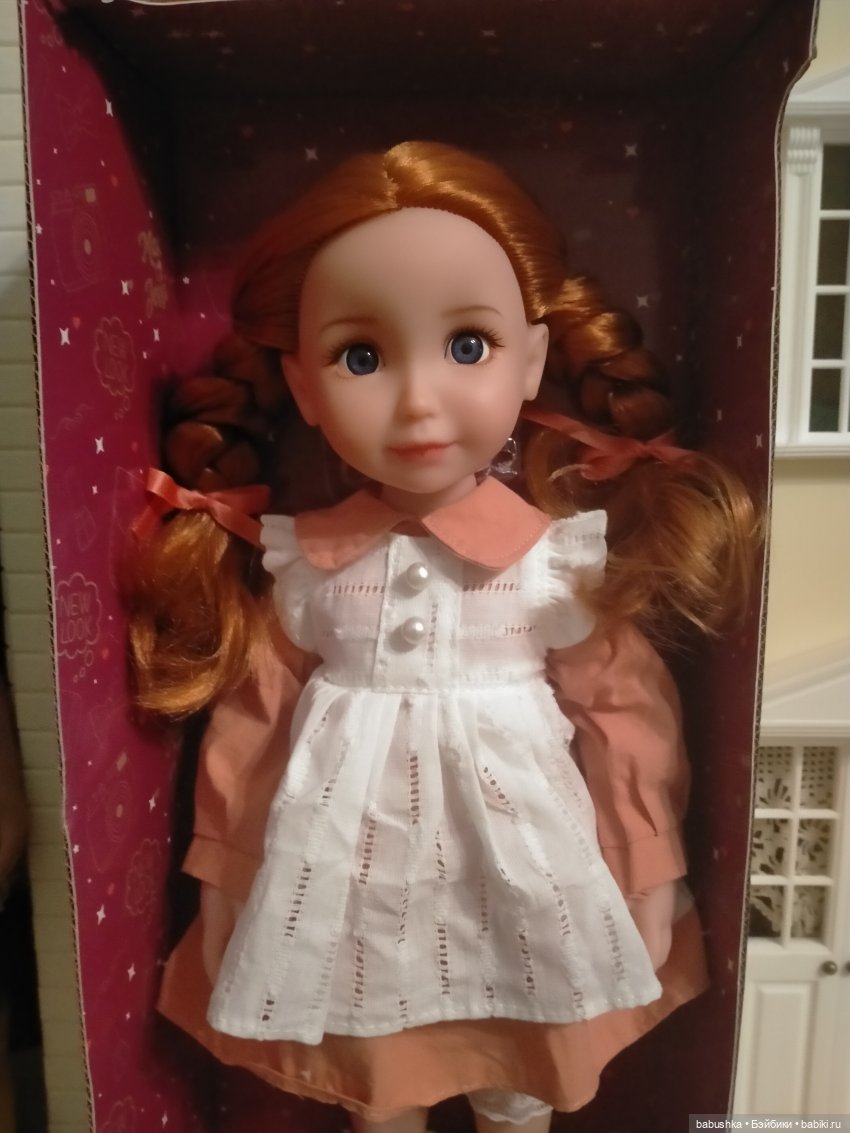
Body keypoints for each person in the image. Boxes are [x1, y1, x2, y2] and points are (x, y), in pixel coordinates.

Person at [124, 141, 757, 1133]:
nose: (418, 400)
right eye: (361, 357)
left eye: (467, 346)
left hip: (524, 881)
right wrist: (227, 875)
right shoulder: (306, 565)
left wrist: (645, 865)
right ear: (302, 387)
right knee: (378, 1091)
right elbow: (249, 735)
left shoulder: (549, 562)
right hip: (351, 882)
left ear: (532, 359)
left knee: (520, 1086)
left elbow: (627, 718)